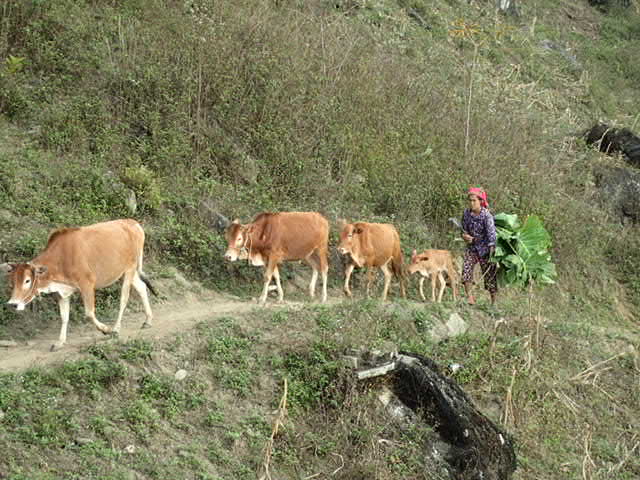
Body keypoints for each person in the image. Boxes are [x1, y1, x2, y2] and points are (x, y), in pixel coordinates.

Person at [461, 187, 497, 305]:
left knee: (490, 276)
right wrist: (465, 236)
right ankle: (470, 298)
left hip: (485, 249)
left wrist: (492, 253)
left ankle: (494, 302)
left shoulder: (486, 216)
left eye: (474, 201)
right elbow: (463, 230)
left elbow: (491, 237)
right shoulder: (466, 214)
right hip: (471, 248)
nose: (472, 203)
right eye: (470, 201)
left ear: (480, 201)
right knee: (466, 269)